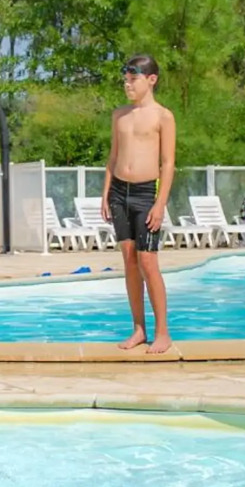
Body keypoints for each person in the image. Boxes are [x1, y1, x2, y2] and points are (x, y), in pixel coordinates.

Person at [100, 54, 178, 354]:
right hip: (119, 192)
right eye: (126, 79)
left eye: (133, 79)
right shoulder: (119, 115)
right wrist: (106, 193)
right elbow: (113, 156)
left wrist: (160, 204)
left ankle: (163, 332)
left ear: (151, 80)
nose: (127, 84)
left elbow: (168, 163)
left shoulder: (163, 116)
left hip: (146, 194)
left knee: (148, 262)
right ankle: (138, 329)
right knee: (130, 261)